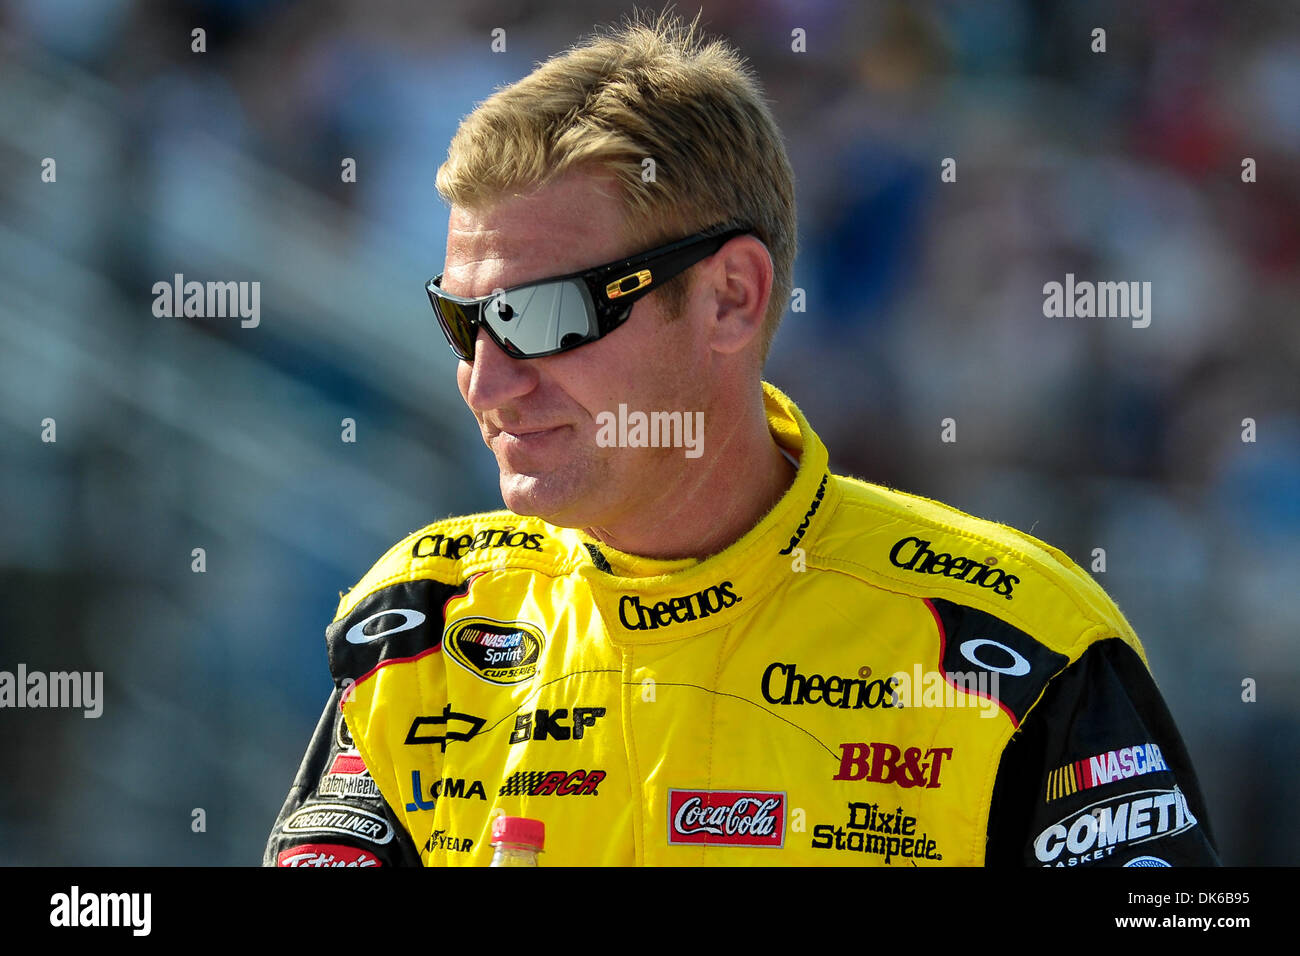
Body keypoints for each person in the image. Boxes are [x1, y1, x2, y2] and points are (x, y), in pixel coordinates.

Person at [264, 13, 1219, 867]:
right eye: (461, 322)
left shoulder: (1017, 643)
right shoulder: (419, 629)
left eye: (543, 317)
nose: (487, 379)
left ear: (730, 297)